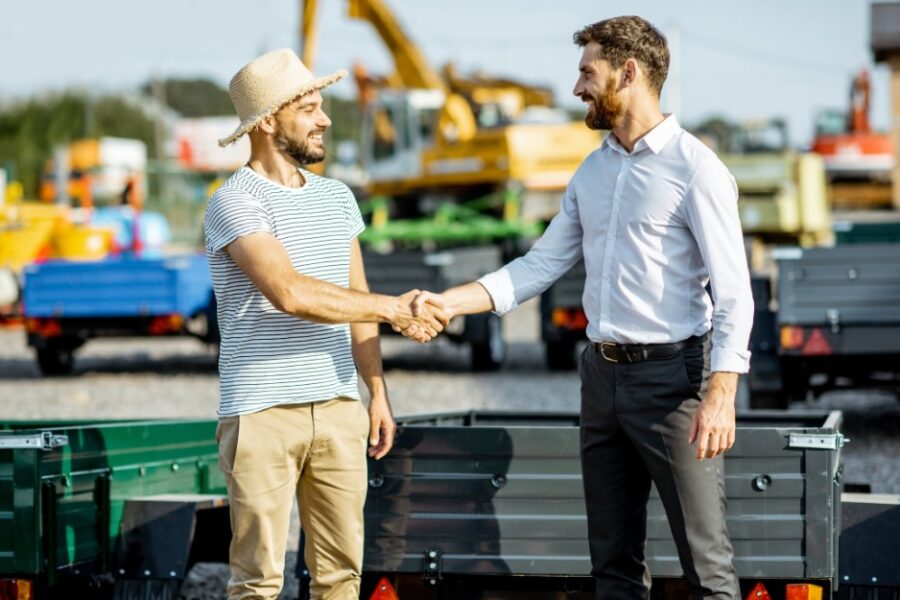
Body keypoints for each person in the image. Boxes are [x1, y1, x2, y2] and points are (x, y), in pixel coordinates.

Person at [410, 16, 752, 599]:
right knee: (612, 566)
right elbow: (538, 265)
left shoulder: (697, 170)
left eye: (587, 73)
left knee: (707, 566)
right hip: (600, 379)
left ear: (628, 72)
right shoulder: (593, 170)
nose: (577, 88)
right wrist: (450, 302)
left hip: (674, 384)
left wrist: (721, 394)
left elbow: (735, 292)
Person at [205, 48, 446, 600]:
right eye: (309, 109)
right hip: (262, 411)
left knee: (342, 578)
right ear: (268, 122)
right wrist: (395, 309)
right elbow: (289, 293)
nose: (325, 120)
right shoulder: (233, 202)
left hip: (339, 407)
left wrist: (376, 393)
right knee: (257, 582)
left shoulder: (337, 198)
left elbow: (356, 301)